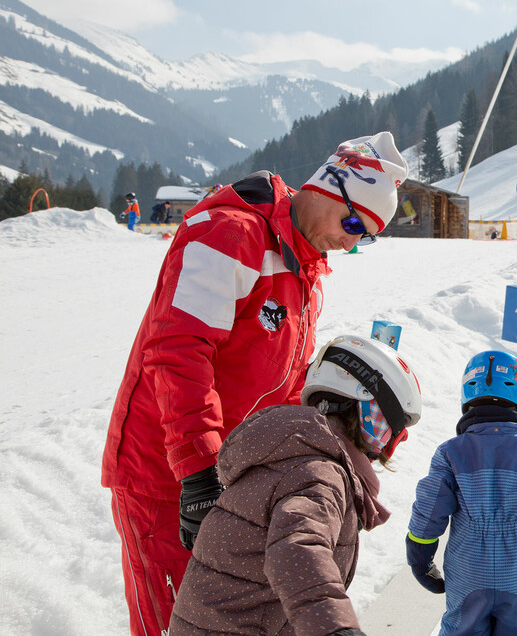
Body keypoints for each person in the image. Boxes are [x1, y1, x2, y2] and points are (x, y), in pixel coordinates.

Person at [101, 131, 408, 636]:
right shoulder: (229, 235)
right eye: (353, 223)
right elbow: (178, 352)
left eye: (366, 236)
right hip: (166, 476)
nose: (351, 241)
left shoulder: (304, 270)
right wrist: (198, 472)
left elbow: (284, 388)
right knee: (177, 624)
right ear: (330, 188)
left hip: (230, 480)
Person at [169, 335, 421, 636]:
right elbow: (298, 550)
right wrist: (334, 628)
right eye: (390, 432)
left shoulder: (285, 455)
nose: (385, 450)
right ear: (366, 411)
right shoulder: (319, 473)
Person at [406, 351, 517, 636]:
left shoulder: (450, 453)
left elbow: (430, 509)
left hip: (468, 574)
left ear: (466, 404)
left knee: (461, 629)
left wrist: (419, 556)